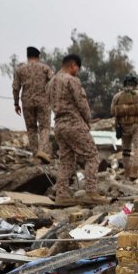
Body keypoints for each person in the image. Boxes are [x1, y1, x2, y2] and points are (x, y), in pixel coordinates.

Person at [49, 54, 108, 206]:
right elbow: (82, 103)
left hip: (59, 124)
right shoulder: (71, 80)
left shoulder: (51, 82)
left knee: (66, 159)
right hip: (74, 123)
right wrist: (87, 121)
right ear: (73, 65)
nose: (78, 71)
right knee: (92, 155)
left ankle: (61, 194)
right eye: (78, 68)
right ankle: (91, 192)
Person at [12, 46, 54, 161]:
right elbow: (54, 83)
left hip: (27, 102)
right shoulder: (45, 68)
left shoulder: (20, 69)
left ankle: (35, 153)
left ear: (27, 56)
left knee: (31, 128)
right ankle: (42, 150)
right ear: (38, 56)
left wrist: (16, 103)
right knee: (45, 127)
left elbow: (16, 87)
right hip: (43, 102)